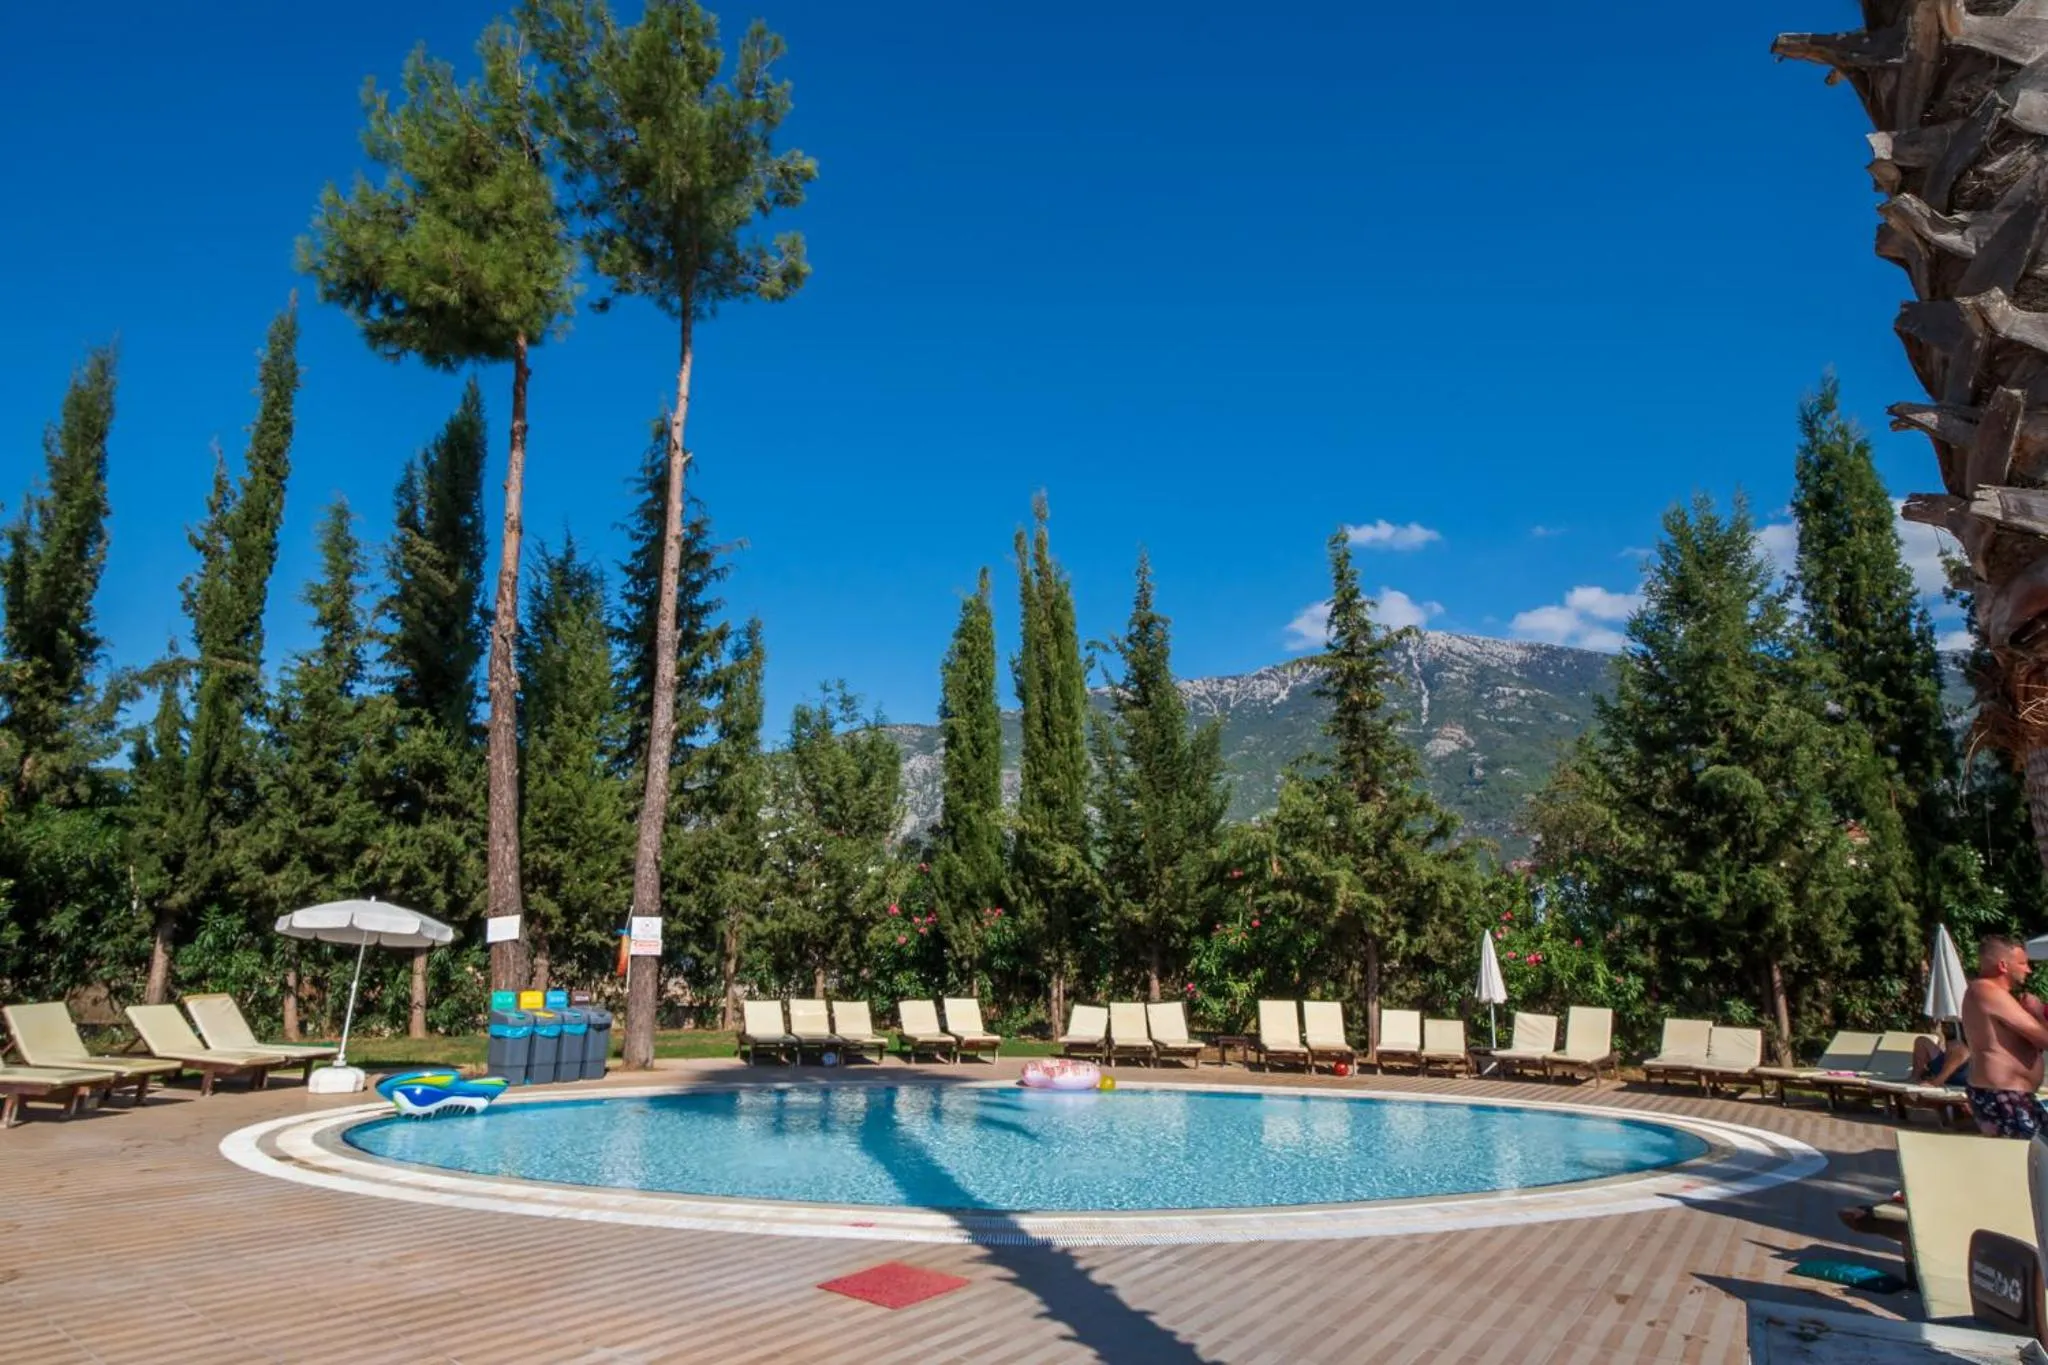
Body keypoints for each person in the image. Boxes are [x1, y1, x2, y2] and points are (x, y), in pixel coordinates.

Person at [1961, 934, 2048, 1138]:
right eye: (2022, 963)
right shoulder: (1986, 991)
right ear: (2003, 965)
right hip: (2002, 1095)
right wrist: (2036, 1012)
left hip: (2013, 1095)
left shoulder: (1995, 995)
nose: (2028, 969)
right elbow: (2043, 1039)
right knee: (2020, 1160)